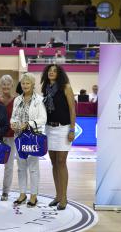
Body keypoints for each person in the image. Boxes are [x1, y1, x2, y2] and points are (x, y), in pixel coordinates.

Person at [41, 64, 76, 210]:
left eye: (55, 71)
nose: (52, 73)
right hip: (49, 128)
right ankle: (58, 196)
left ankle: (64, 197)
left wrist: (72, 129)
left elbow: (72, 109)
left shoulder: (66, 87)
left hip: (63, 128)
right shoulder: (45, 89)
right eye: (50, 71)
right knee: (54, 162)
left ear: (59, 73)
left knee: (61, 161)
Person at [11, 73, 47, 208]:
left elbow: (43, 119)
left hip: (33, 137)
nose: (25, 85)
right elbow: (13, 116)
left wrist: (28, 124)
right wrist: (13, 123)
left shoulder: (39, 100)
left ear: (33, 85)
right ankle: (22, 194)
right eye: (23, 83)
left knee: (33, 168)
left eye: (28, 83)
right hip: (19, 137)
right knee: (21, 168)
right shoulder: (17, 99)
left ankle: (33, 195)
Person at [0, 75, 16, 201]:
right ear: (0, 86)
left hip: (11, 136)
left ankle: (6, 192)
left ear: (12, 85)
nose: (6, 86)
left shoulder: (17, 100)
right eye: (3, 84)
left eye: (8, 84)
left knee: (9, 165)